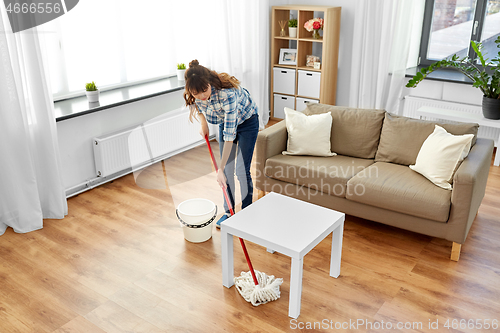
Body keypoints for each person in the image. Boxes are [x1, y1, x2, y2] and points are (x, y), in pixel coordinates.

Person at [183, 60, 259, 228]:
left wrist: (219, 169)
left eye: (205, 91)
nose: (202, 96)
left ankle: (247, 212)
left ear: (209, 82)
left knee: (240, 170)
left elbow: (229, 136)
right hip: (225, 120)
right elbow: (199, 107)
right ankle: (229, 212)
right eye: (197, 94)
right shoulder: (196, 94)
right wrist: (203, 124)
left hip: (247, 122)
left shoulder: (227, 94)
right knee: (226, 172)